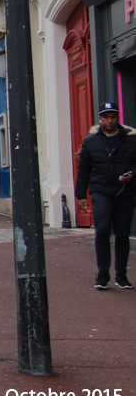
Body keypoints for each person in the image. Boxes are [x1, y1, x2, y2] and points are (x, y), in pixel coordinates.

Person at [74, 101, 136, 290]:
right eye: (106, 117)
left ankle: (121, 275)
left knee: (122, 234)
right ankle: (102, 274)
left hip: (125, 192)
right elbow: (83, 169)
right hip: (101, 191)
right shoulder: (91, 141)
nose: (110, 120)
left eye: (113, 117)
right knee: (102, 230)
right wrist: (81, 194)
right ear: (100, 119)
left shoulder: (131, 139)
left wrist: (132, 174)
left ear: (118, 118)